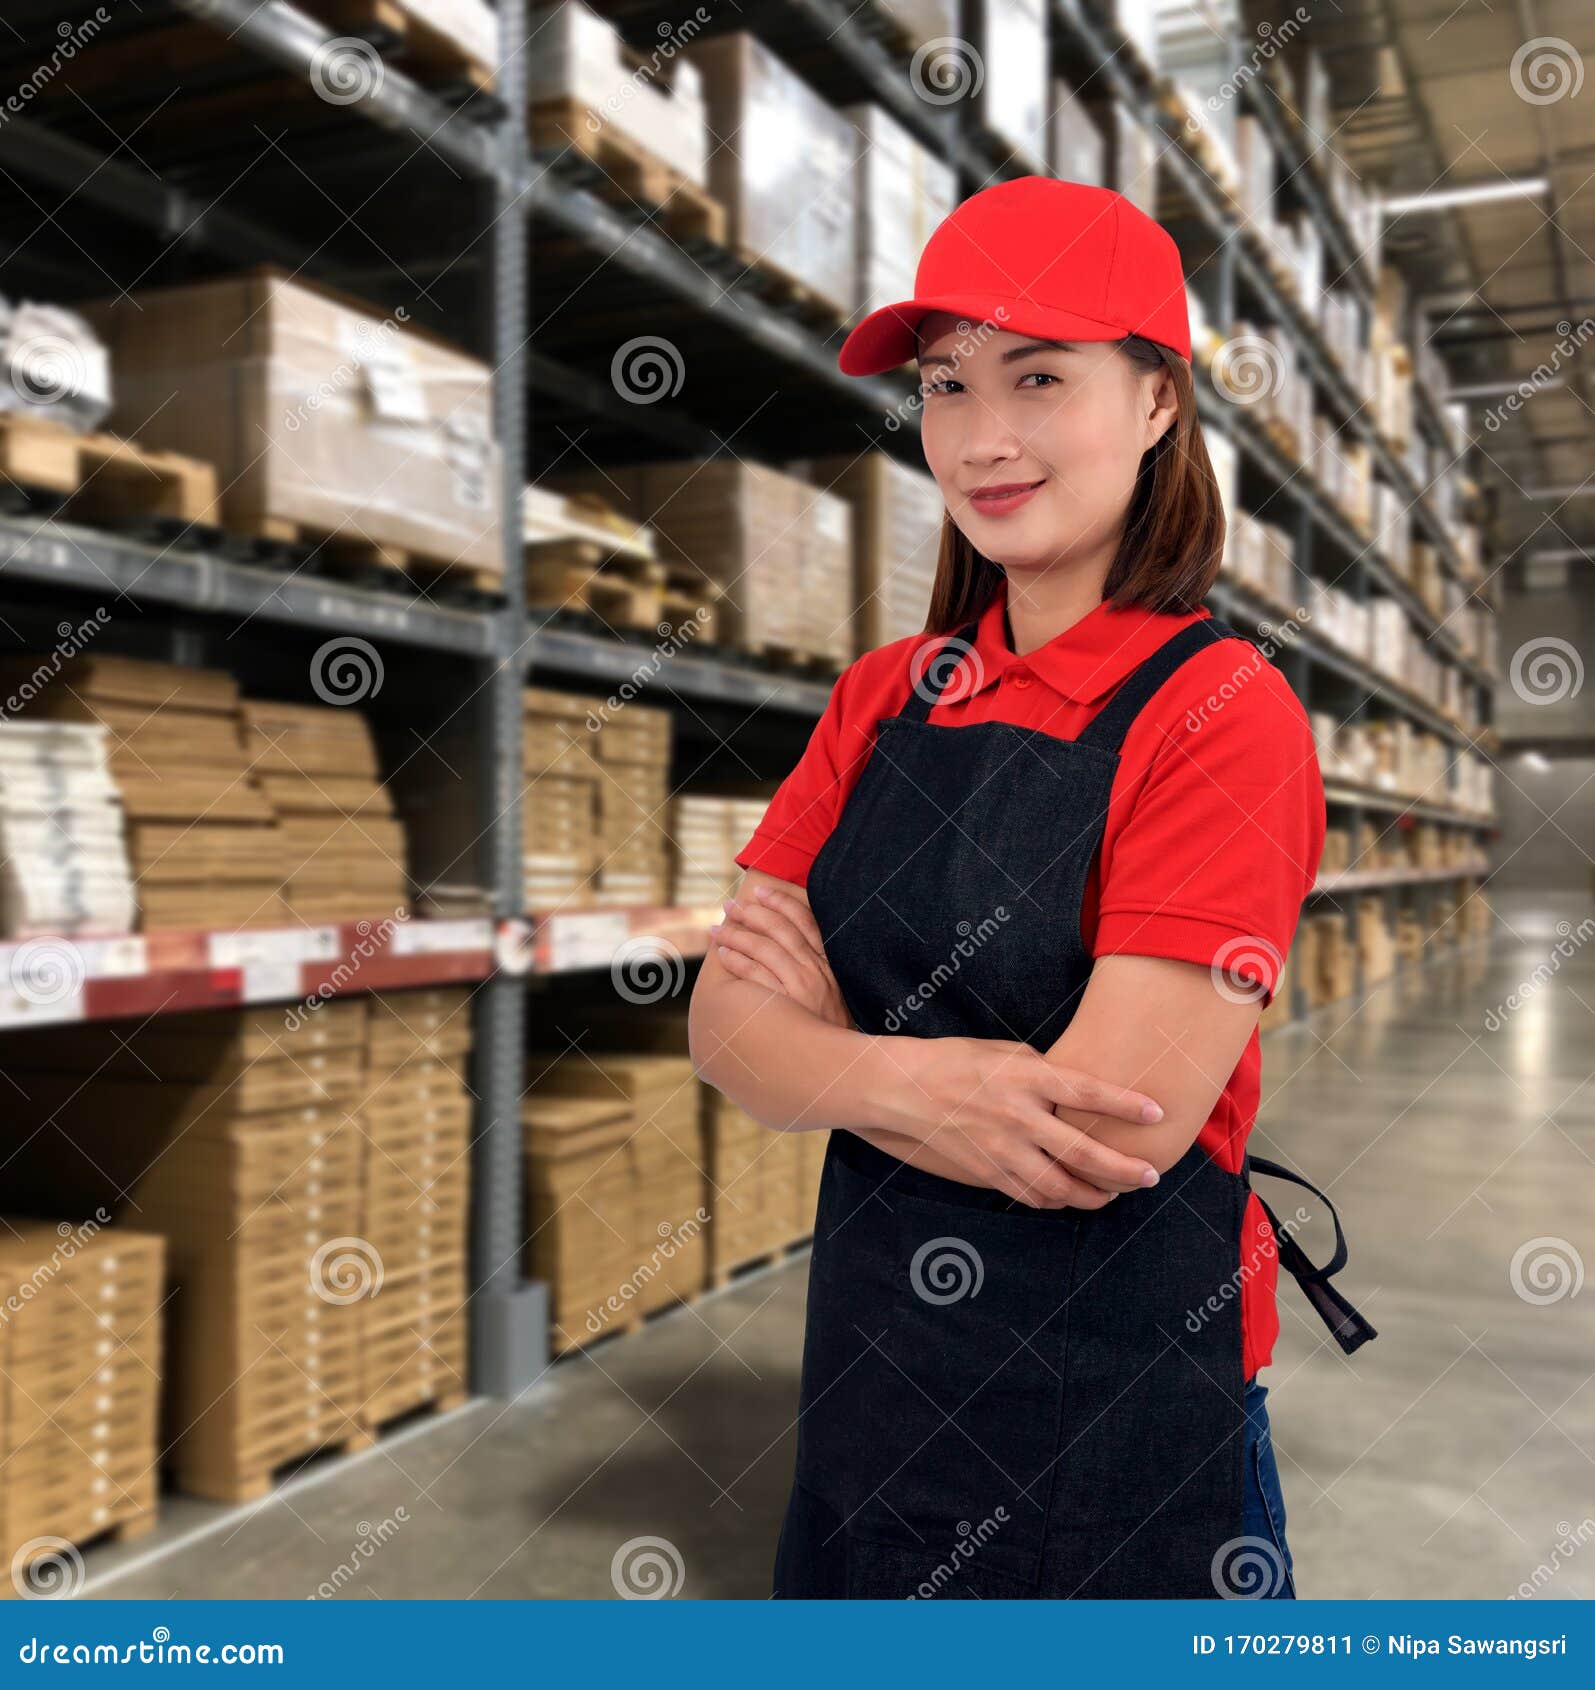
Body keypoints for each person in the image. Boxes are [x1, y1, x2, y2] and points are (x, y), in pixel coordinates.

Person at [687, 177, 1374, 1601]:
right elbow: (723, 1032)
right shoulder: (886, 697)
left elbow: (1108, 1132)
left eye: (1041, 375)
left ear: (1158, 401)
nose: (981, 437)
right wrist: (934, 1085)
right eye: (946, 385)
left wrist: (828, 1060)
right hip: (870, 1412)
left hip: (1119, 1435)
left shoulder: (1221, 713)